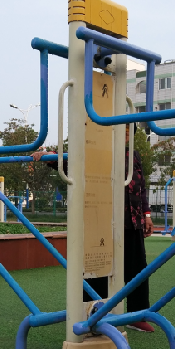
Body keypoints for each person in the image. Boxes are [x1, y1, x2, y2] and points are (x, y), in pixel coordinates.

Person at [32, 123, 155, 332]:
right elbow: (73, 165)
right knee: (98, 267)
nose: (126, 133)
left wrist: (147, 215)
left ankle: (137, 313)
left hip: (131, 219)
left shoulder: (133, 156)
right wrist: (51, 156)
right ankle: (94, 313)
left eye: (129, 131)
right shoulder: (98, 152)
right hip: (104, 219)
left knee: (137, 268)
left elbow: (141, 188)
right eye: (123, 129)